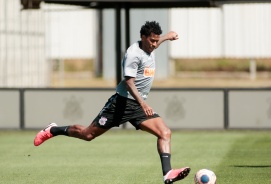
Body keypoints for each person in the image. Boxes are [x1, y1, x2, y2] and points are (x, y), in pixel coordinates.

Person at [34, 21, 190, 184]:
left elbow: (156, 43)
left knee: (165, 133)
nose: (154, 44)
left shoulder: (150, 45)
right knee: (88, 134)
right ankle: (53, 129)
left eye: (157, 41)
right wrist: (143, 104)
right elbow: (129, 83)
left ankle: (167, 173)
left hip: (137, 105)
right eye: (152, 40)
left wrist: (168, 37)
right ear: (143, 37)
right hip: (121, 103)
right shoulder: (133, 54)